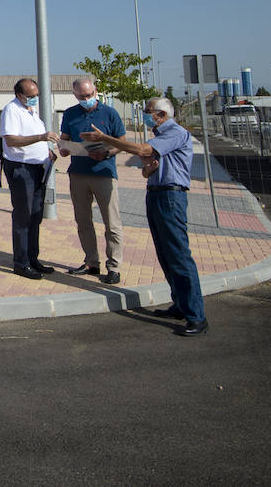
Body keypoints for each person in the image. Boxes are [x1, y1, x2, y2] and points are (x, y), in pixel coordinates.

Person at [84, 97, 208, 335]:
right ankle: (181, 304)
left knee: (179, 255)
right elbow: (147, 166)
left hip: (171, 197)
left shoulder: (174, 132)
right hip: (156, 194)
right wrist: (148, 170)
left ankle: (196, 315)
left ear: (161, 114)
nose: (145, 115)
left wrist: (106, 139)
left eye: (148, 111)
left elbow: (143, 150)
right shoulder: (160, 135)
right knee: (165, 254)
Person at [59, 78, 126, 283]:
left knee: (111, 223)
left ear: (95, 91)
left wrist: (107, 153)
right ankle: (91, 262)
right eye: (81, 96)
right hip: (78, 173)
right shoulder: (70, 114)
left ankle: (114, 267)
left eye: (89, 95)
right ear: (75, 95)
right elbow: (65, 139)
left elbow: (122, 142)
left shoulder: (110, 113)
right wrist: (64, 148)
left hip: (104, 173)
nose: (86, 99)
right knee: (83, 220)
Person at [0, 78, 60, 279]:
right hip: (21, 169)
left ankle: (33, 259)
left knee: (35, 215)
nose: (34, 99)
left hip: (38, 168)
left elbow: (35, 136)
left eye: (36, 95)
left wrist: (47, 151)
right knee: (23, 216)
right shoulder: (12, 110)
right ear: (19, 95)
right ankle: (21, 262)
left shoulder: (31, 111)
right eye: (30, 96)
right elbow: (11, 139)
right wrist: (42, 138)